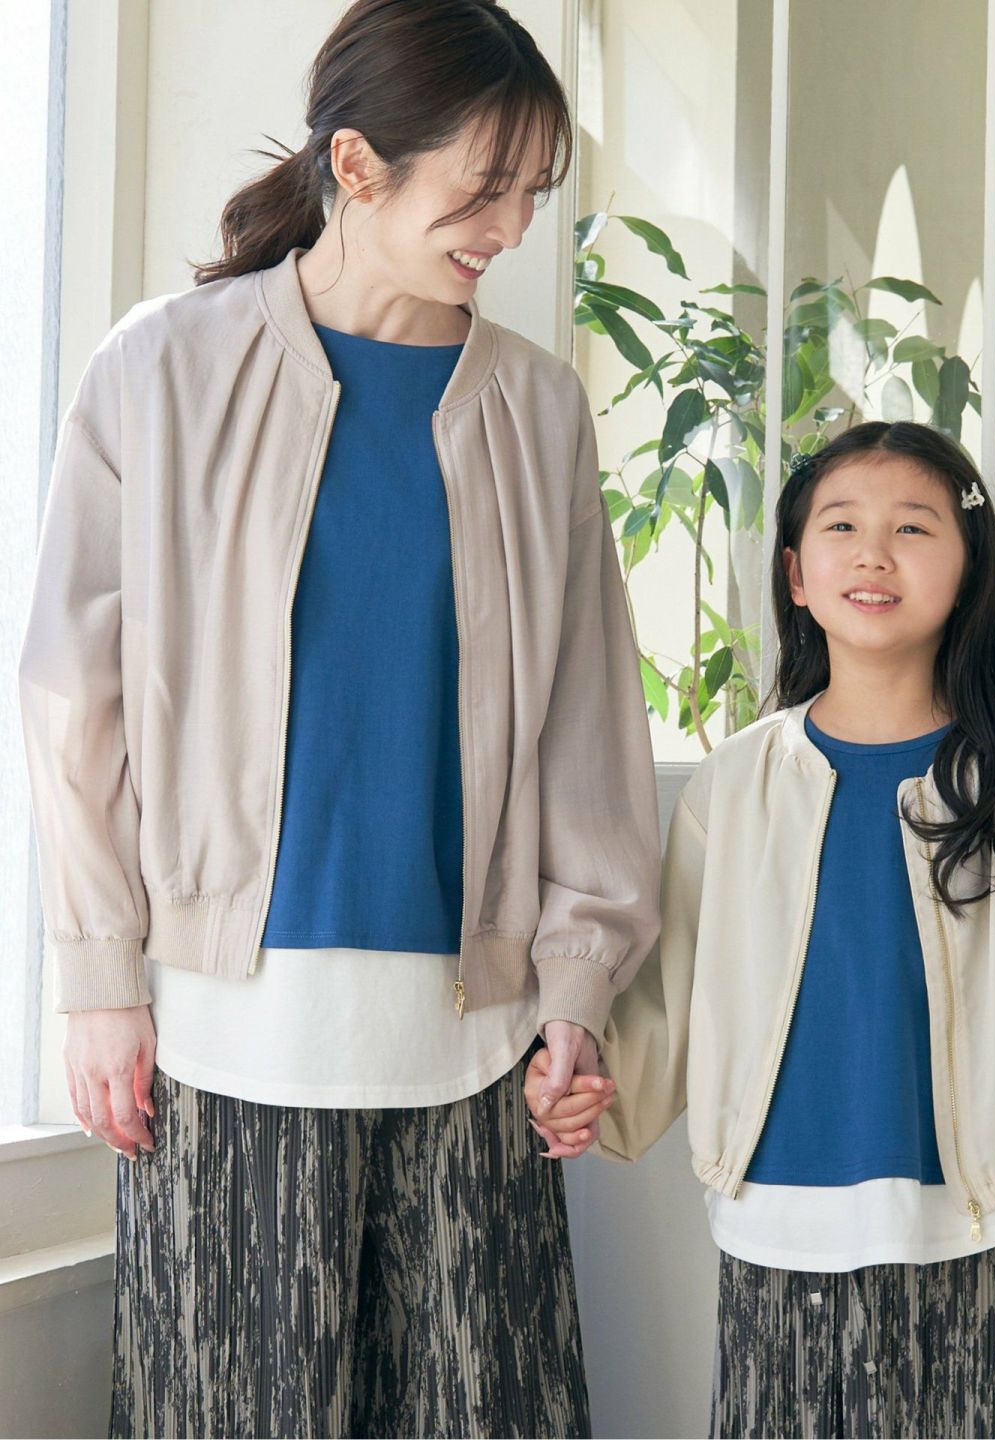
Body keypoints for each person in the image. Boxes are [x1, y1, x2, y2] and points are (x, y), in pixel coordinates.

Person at [18, 1, 660, 1435]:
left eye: (533, 191)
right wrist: (99, 979)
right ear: (358, 164)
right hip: (220, 1040)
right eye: (483, 188)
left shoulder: (540, 409)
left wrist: (577, 993)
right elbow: (73, 695)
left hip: (479, 1044)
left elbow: (587, 727)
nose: (512, 227)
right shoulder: (160, 370)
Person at [527, 420, 995, 1439]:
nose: (875, 553)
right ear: (797, 575)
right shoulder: (737, 784)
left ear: (968, 573)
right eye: (842, 526)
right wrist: (595, 1087)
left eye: (914, 528)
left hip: (977, 1233)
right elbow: (674, 989)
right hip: (774, 1234)